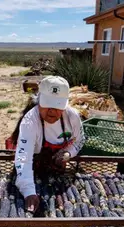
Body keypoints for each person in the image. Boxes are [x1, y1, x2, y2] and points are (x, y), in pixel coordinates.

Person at [12, 76, 85, 213]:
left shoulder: (73, 117)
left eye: (57, 106)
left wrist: (69, 153)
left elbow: (80, 140)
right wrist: (29, 191)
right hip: (31, 170)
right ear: (39, 100)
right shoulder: (30, 121)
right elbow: (23, 157)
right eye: (47, 105)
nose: (51, 111)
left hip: (57, 170)